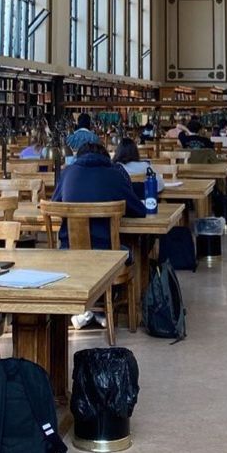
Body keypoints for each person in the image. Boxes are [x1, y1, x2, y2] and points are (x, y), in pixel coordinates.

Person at [52, 139, 146, 328]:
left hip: (68, 252)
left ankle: (85, 308)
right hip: (107, 255)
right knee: (133, 249)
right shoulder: (115, 174)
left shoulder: (68, 173)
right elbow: (139, 210)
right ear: (106, 157)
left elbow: (55, 204)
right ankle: (115, 307)